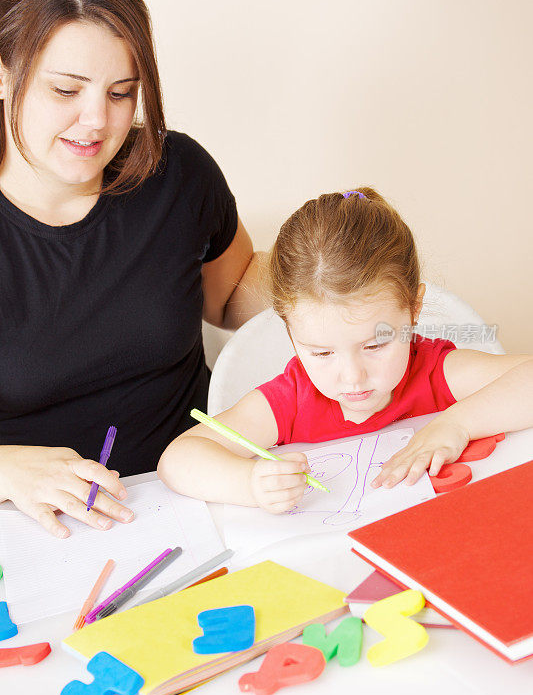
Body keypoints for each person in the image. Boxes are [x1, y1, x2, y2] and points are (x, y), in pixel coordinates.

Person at [0, 0, 266, 538]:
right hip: (36, 535)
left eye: (122, 92)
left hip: (196, 502)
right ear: (3, 73)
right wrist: (5, 469)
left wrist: (336, 269)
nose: (98, 121)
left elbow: (230, 296)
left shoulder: (176, 173)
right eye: (66, 90)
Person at [158, 188, 533, 512]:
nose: (352, 376)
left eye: (375, 345)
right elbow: (177, 460)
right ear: (290, 332)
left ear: (414, 309)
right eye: (322, 354)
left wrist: (456, 423)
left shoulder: (434, 372)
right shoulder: (289, 402)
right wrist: (250, 483)